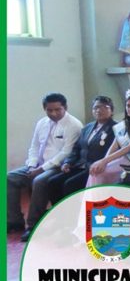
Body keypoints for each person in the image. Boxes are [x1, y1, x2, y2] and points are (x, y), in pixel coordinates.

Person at [8, 93, 83, 241]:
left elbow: (66, 153)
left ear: (65, 108)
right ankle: (14, 221)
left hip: (58, 166)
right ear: (45, 109)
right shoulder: (42, 123)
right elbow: (34, 146)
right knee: (10, 178)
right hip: (37, 164)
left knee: (39, 181)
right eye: (49, 110)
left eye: (58, 110)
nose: (53, 113)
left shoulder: (74, 125)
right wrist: (31, 165)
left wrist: (41, 169)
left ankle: (33, 225)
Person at [47, 96, 117, 203]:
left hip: (95, 168)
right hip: (80, 165)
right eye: (96, 107)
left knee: (70, 185)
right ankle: (59, 214)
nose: (99, 110)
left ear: (111, 110)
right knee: (53, 182)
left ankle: (73, 215)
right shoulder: (87, 127)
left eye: (104, 107)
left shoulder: (116, 128)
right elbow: (77, 148)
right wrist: (68, 162)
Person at [87, 89, 130, 187]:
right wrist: (104, 162)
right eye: (128, 106)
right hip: (121, 158)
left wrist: (104, 161)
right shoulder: (123, 125)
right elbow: (114, 145)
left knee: (100, 173)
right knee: (97, 170)